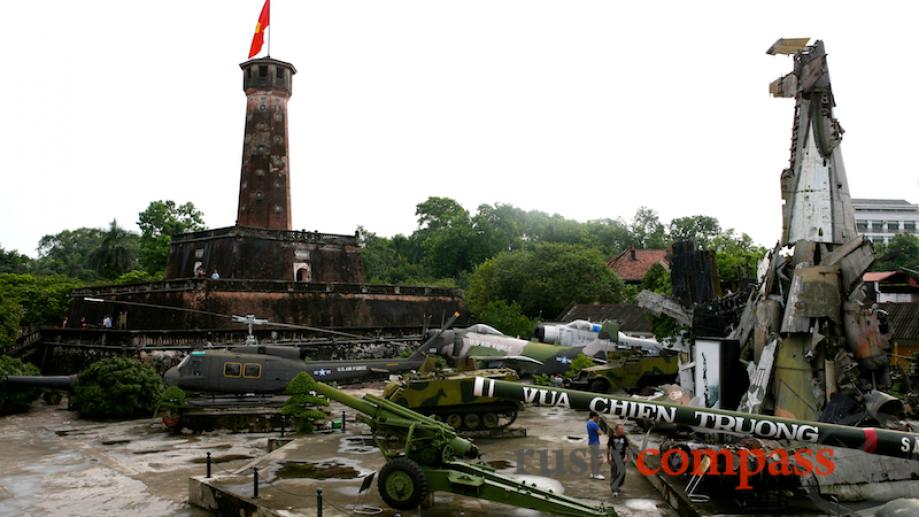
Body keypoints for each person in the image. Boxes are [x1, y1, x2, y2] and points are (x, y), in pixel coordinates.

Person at [606, 423, 629, 496]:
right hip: (615, 457)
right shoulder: (612, 437)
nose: (622, 430)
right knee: (614, 473)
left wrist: (626, 456)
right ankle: (614, 489)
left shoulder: (623, 437)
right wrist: (608, 458)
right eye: (620, 429)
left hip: (622, 457)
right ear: (616, 430)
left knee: (622, 473)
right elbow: (608, 448)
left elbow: (626, 447)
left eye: (623, 429)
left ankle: (618, 486)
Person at [586, 412, 605, 480]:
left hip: (590, 442)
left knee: (592, 459)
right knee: (600, 459)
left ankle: (592, 473)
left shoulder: (588, 423)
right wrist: (599, 427)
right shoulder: (594, 424)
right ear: (594, 416)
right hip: (595, 443)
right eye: (598, 417)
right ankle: (596, 474)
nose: (598, 418)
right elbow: (600, 433)